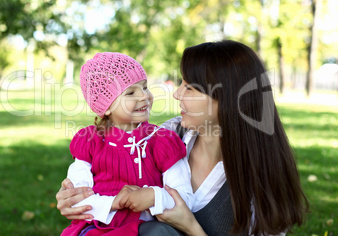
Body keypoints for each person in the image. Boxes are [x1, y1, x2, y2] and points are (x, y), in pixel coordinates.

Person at [56, 41, 309, 236]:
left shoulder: (262, 178)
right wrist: (75, 198)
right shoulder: (169, 134)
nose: (176, 94)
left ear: (229, 99)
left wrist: (190, 226)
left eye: (189, 87)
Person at [60, 52, 193, 236]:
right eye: (131, 93)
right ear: (106, 107)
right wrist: (115, 202)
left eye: (145, 87)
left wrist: (154, 196)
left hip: (148, 230)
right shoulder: (91, 141)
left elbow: (185, 197)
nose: (144, 96)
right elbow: (77, 200)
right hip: (99, 229)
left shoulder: (162, 140)